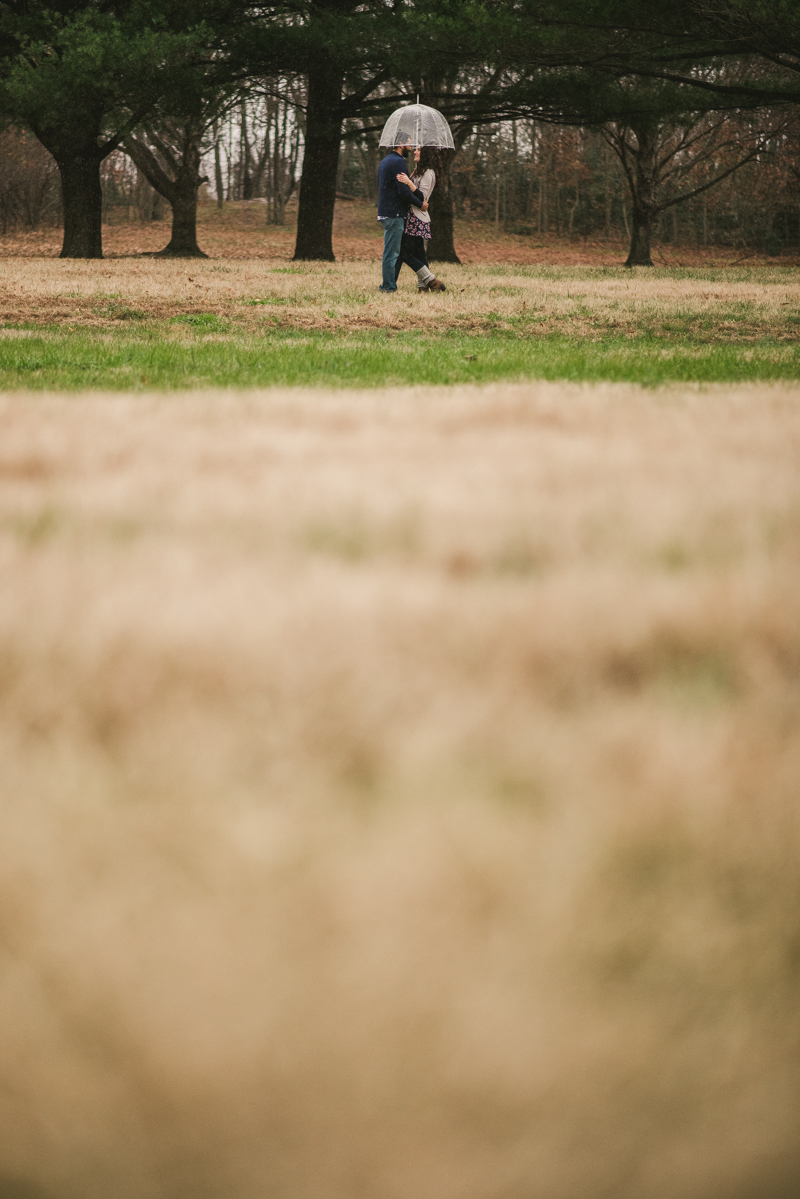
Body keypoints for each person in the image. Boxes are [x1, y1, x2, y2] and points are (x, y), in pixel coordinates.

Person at [394, 146, 446, 293]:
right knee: (419, 253)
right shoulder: (420, 171)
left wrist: (409, 183)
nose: (415, 152)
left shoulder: (429, 173)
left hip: (417, 218)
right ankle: (422, 287)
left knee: (404, 252)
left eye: (418, 150)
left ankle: (430, 280)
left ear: (426, 154)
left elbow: (421, 197)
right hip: (412, 216)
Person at [376, 142, 426, 293]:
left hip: (387, 212)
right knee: (391, 252)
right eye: (409, 143)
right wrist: (420, 204)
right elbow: (403, 192)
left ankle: (390, 283)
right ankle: (388, 287)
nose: (411, 148)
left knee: (394, 252)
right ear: (400, 143)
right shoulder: (398, 162)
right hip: (394, 213)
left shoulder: (386, 161)